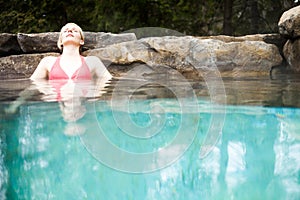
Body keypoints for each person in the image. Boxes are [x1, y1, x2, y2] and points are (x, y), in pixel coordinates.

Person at [30, 22, 112, 81]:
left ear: (81, 41)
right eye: (65, 31)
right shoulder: (47, 62)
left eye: (75, 31)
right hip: (55, 102)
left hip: (84, 101)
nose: (69, 31)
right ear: (60, 41)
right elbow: (33, 85)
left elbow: (108, 84)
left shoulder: (93, 61)